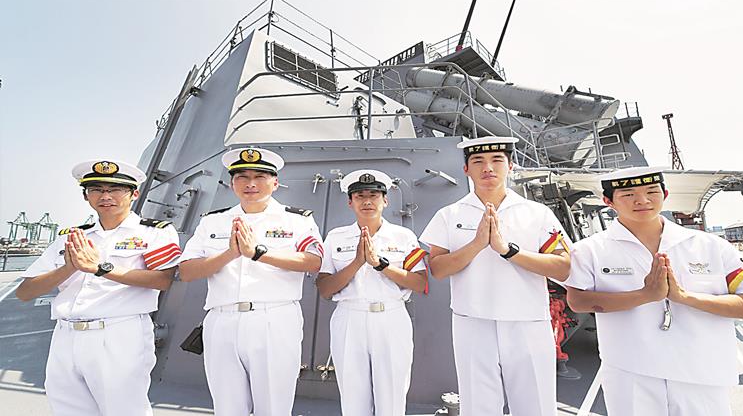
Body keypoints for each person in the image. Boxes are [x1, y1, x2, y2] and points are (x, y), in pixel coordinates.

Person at [564, 167, 743, 416]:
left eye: (651, 191)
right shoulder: (588, 250)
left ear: (665, 194)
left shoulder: (711, 246)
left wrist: (685, 298)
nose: (642, 200)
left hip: (701, 372)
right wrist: (645, 296)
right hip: (631, 373)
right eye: (628, 194)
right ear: (608, 201)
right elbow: (578, 301)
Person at [420, 136, 571, 416]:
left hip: (527, 320)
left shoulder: (537, 213)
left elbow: (563, 267)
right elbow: (438, 269)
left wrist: (508, 250)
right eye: (478, 161)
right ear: (466, 169)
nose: (488, 167)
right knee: (478, 407)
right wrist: (477, 244)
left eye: (497, 160)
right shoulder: (449, 215)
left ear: (510, 166)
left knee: (536, 406)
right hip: (472, 321)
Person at [16, 159, 181, 416]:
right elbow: (25, 292)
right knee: (68, 410)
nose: (106, 196)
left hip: (118, 333)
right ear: (86, 196)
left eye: (115, 189)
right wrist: (69, 268)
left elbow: (162, 280)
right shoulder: (71, 237)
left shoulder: (154, 233)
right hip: (65, 336)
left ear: (134, 194)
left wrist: (100, 268)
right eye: (96, 189)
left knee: (125, 410)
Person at [178, 147, 323, 416]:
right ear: (232, 183)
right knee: (227, 407)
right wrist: (230, 254)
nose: (251, 184)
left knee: (273, 407)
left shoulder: (296, 220)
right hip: (221, 320)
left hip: (273, 319)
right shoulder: (213, 221)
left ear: (275, 182)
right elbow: (186, 271)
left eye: (259, 176)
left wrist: (258, 253)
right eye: (242, 177)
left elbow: (313, 262)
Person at [316, 169, 428, 416]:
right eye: (359, 196)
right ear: (350, 202)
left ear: (385, 200)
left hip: (391, 318)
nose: (367, 201)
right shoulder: (336, 237)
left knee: (392, 395)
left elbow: (420, 284)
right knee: (353, 396)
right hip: (349, 318)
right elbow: (324, 289)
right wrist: (357, 262)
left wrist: (380, 264)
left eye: (374, 195)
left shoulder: (403, 236)